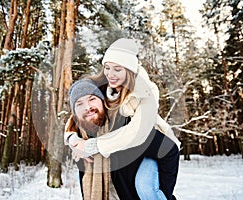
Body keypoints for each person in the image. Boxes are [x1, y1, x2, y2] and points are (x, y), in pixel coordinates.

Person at [66, 38, 180, 199]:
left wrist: (92, 146)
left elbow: (137, 133)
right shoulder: (103, 88)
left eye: (118, 69)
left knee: (145, 186)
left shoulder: (146, 93)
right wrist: (72, 140)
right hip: (124, 143)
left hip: (150, 143)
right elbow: (74, 118)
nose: (111, 74)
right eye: (107, 68)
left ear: (129, 70)